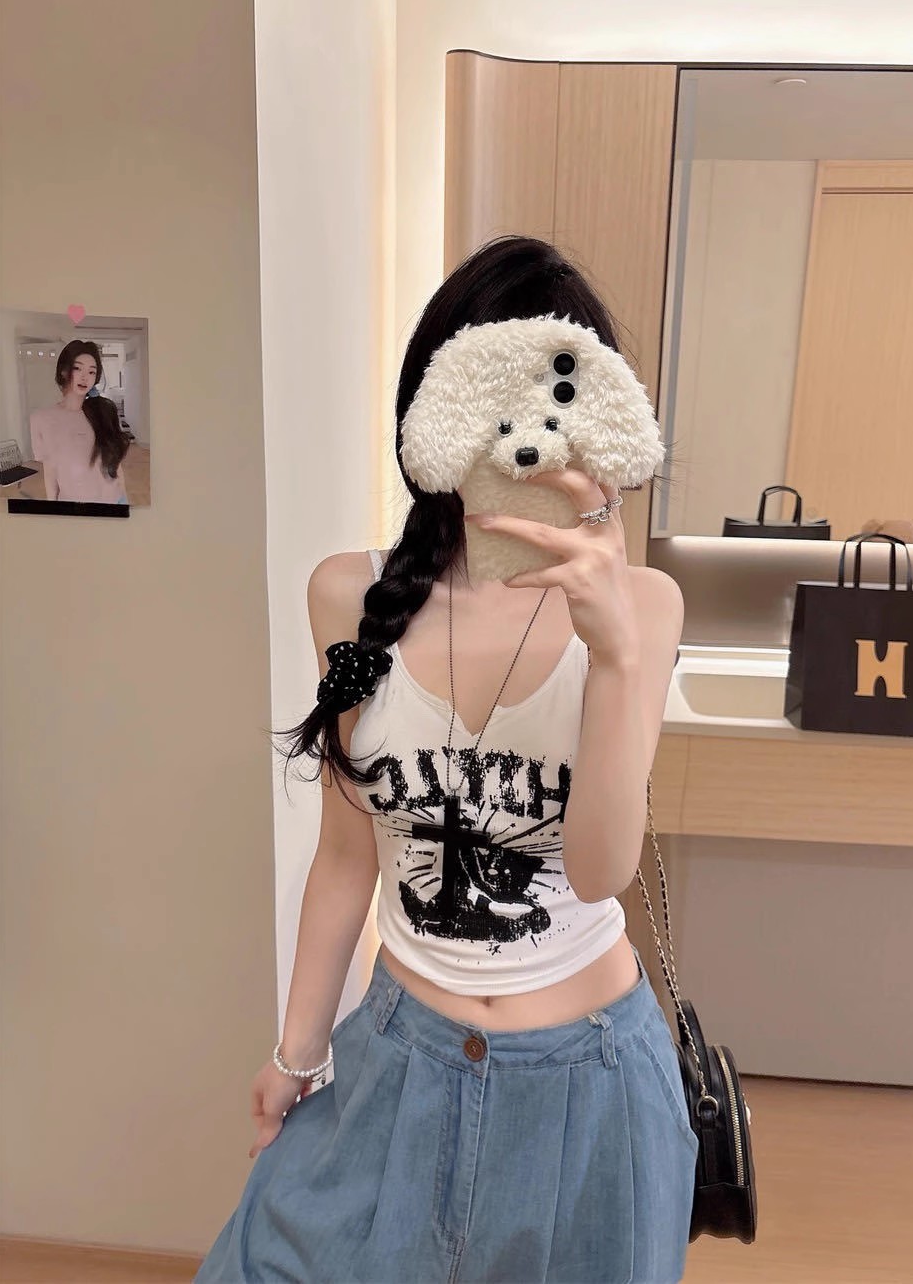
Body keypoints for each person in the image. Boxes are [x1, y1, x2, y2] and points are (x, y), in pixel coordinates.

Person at [194, 236, 697, 1284]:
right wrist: (296, 1051)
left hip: (589, 1087)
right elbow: (347, 856)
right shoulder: (350, 595)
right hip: (398, 1060)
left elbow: (599, 870)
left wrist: (612, 652)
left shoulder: (643, 608)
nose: (520, 442)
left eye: (555, 397)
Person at [29, 340, 129, 504]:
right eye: (77, 368)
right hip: (74, 509)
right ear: (63, 371)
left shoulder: (105, 411)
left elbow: (116, 466)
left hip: (116, 502)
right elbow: (50, 472)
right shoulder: (41, 419)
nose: (85, 377)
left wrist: (126, 503)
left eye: (91, 372)